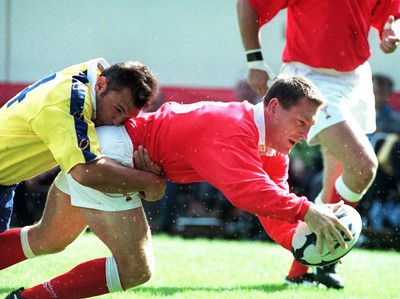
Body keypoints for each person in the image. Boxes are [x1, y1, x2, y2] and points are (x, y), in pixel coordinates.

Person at [2, 75, 354, 298]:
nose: (307, 135)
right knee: (136, 270)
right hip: (115, 153)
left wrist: (298, 239)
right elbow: (247, 192)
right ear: (274, 107)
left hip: (113, 147)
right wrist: (309, 210)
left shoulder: (272, 149)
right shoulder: (234, 126)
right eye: (302, 121)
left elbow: (269, 203)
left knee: (47, 238)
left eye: (311, 125)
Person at [236, 0, 400, 288]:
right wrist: (254, 60)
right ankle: (325, 259)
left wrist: (392, 31)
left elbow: (393, 15)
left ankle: (303, 271)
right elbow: (248, 5)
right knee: (363, 167)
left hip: (357, 77)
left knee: (336, 181)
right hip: (310, 80)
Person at [0, 58, 166, 233]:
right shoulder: (70, 100)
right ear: (100, 85)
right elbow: (85, 171)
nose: (117, 123)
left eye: (125, 119)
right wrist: (149, 182)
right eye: (118, 110)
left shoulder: (91, 79)